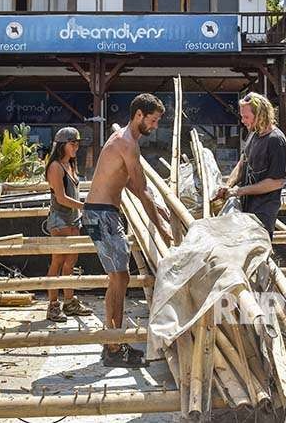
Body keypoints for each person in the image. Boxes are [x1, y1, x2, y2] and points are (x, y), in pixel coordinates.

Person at [82, 93, 173, 368]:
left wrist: (156, 204)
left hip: (105, 213)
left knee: (118, 278)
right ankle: (113, 347)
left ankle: (114, 342)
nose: (155, 126)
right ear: (139, 116)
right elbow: (142, 190)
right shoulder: (127, 144)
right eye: (153, 120)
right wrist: (162, 227)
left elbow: (132, 184)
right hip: (101, 215)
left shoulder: (124, 140)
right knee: (120, 278)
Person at [214, 92, 286, 237]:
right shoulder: (253, 135)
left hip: (262, 214)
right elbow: (242, 163)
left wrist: (239, 191)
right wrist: (228, 185)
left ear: (260, 115)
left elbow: (277, 182)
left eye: (246, 117)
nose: (242, 120)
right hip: (247, 209)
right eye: (242, 116)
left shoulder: (275, 140)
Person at [44, 127, 93, 322]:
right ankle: (53, 305)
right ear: (63, 145)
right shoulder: (55, 166)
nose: (76, 147)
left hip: (73, 218)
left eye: (77, 144)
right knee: (57, 261)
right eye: (73, 144)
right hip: (60, 218)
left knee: (70, 262)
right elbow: (62, 198)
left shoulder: (71, 165)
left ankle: (69, 301)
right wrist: (84, 206)